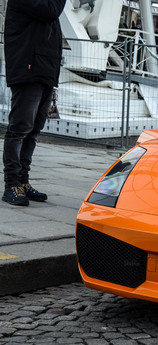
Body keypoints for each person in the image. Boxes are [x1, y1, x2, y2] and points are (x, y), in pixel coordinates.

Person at [2, 0, 65, 206]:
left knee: (33, 131)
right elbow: (50, 11)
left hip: (44, 71)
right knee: (20, 129)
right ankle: (12, 184)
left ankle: (23, 181)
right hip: (28, 69)